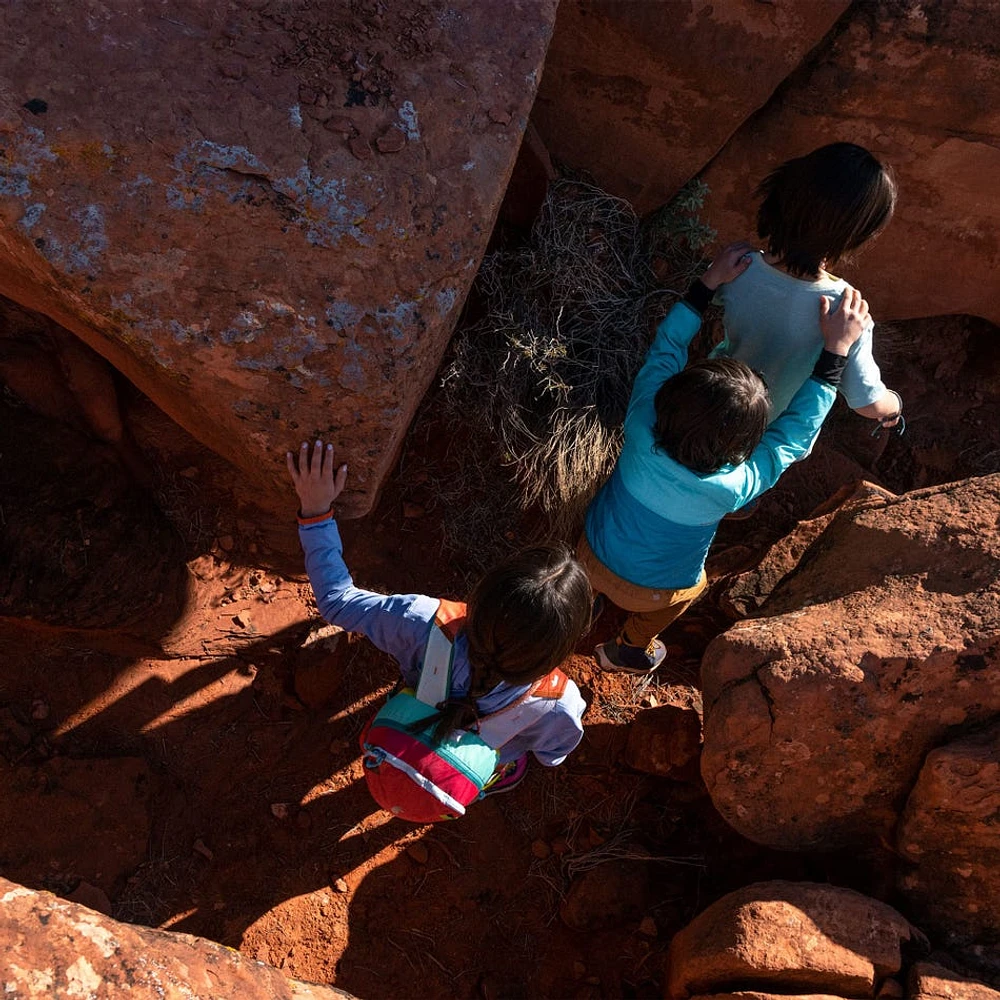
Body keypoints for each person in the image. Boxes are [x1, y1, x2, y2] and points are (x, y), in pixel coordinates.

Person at [581, 243, 870, 674]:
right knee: (688, 591)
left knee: (593, 575)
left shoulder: (640, 423)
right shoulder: (732, 488)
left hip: (589, 552)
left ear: (671, 396)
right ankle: (625, 648)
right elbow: (792, 438)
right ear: (743, 447)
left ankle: (578, 606)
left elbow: (665, 351)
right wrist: (836, 352)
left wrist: (707, 283)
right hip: (656, 592)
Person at [287, 440, 592, 811]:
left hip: (403, 735)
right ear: (559, 650)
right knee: (508, 758)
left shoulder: (421, 622)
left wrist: (316, 512)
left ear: (482, 594)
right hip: (458, 773)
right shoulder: (561, 703)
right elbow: (552, 755)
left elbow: (337, 601)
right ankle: (500, 772)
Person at [713, 142, 902, 429]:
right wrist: (895, 406)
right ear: (855, 238)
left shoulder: (738, 268)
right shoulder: (846, 311)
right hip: (772, 436)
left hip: (708, 398)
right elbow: (868, 402)